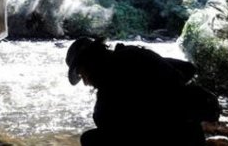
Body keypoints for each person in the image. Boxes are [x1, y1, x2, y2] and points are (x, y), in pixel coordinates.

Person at [66, 37, 220, 146]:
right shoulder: (133, 53)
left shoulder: (108, 89)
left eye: (81, 74)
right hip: (191, 133)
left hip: (170, 138)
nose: (85, 83)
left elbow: (106, 125)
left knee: (91, 139)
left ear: (89, 64)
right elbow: (189, 68)